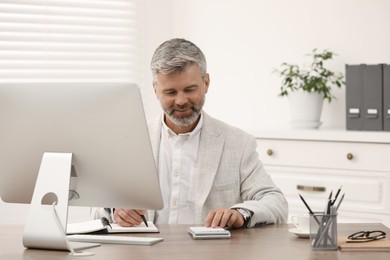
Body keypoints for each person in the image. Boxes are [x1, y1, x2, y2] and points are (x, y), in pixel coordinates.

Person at [92, 38, 288, 228]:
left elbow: (275, 202)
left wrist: (240, 214)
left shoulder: (238, 143)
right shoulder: (129, 141)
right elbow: (96, 207)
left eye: (190, 89)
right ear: (155, 89)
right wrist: (116, 209)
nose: (181, 100)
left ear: (206, 83)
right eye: (170, 92)